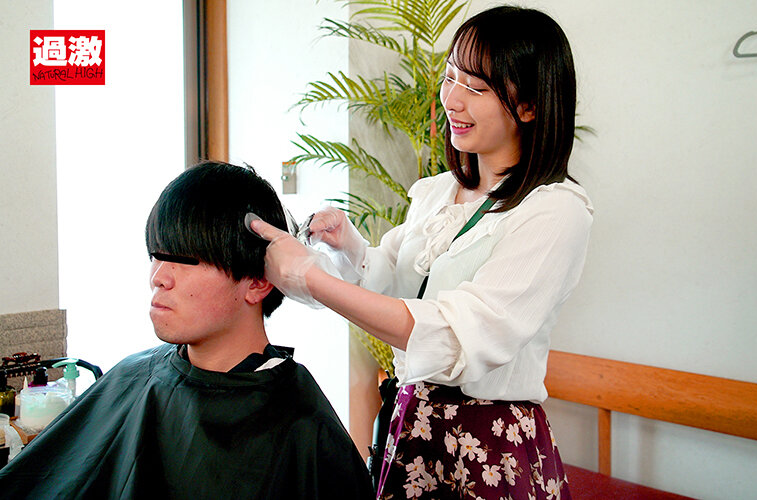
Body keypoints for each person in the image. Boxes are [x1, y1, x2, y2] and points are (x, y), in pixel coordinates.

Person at [249, 6, 591, 499]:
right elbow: (397, 287)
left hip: (488, 445)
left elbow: (454, 337)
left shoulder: (555, 211)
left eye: (476, 88)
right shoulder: (438, 192)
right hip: (412, 425)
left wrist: (311, 279)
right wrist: (349, 246)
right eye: (450, 77)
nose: (451, 99)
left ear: (530, 106)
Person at [0, 161, 373, 499]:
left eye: (185, 260)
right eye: (157, 255)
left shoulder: (305, 428)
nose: (159, 277)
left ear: (258, 281)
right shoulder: (133, 376)